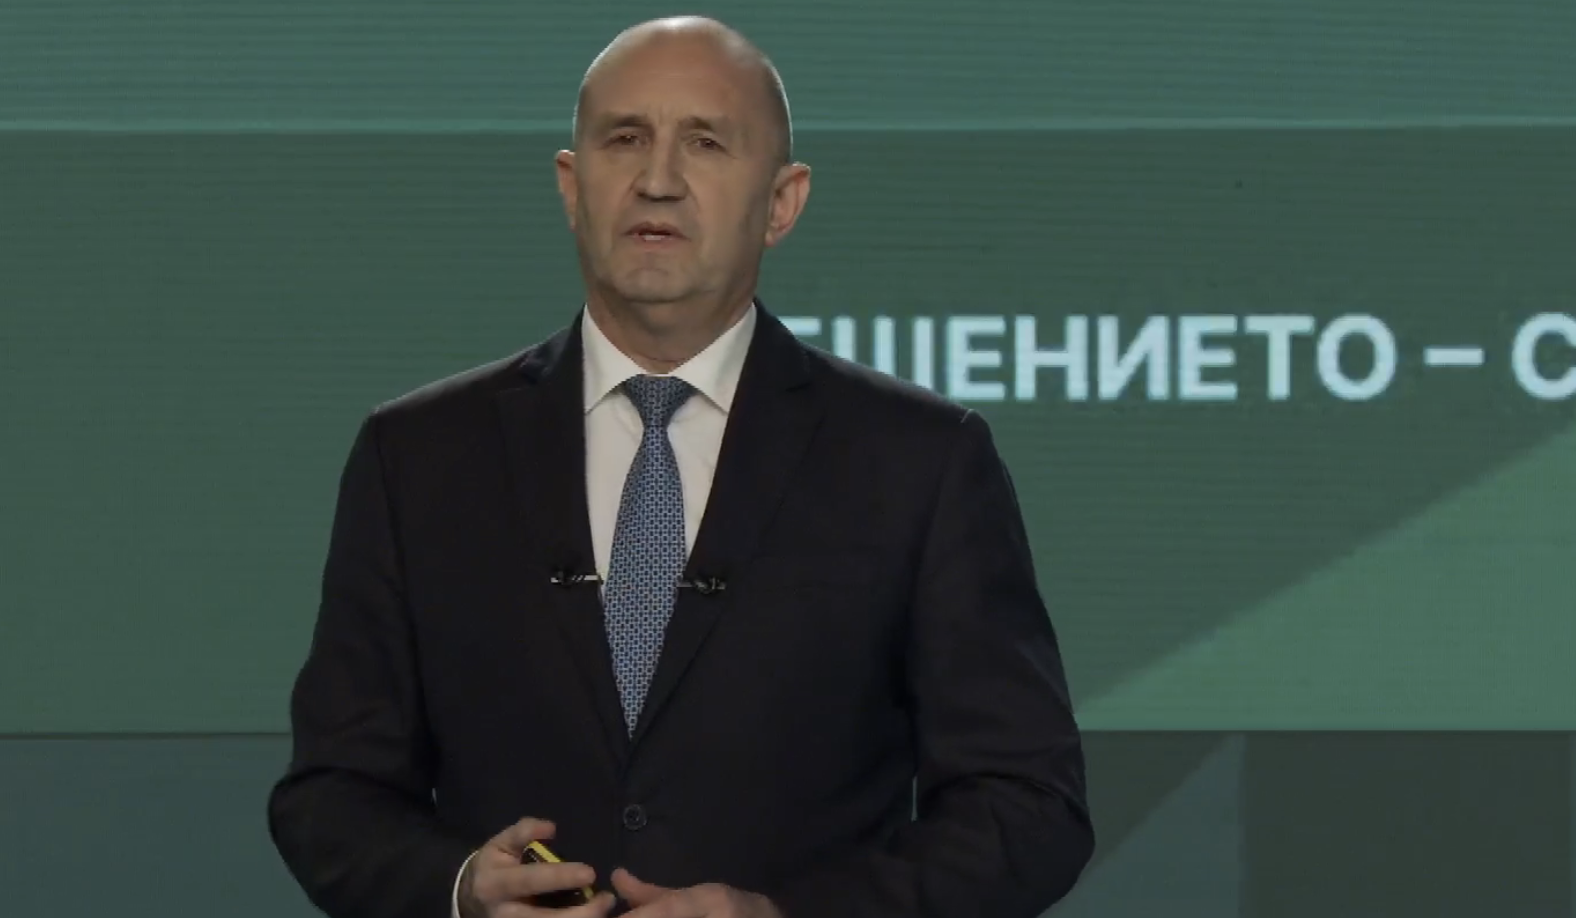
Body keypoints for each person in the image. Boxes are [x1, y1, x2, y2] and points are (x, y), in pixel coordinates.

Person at [267, 15, 1094, 918]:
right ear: (572, 186)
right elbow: (331, 797)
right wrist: (460, 889)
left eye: (706, 142)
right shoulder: (418, 456)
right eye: (625, 139)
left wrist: (782, 916)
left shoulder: (918, 462)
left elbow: (1028, 809)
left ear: (782, 203)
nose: (657, 180)